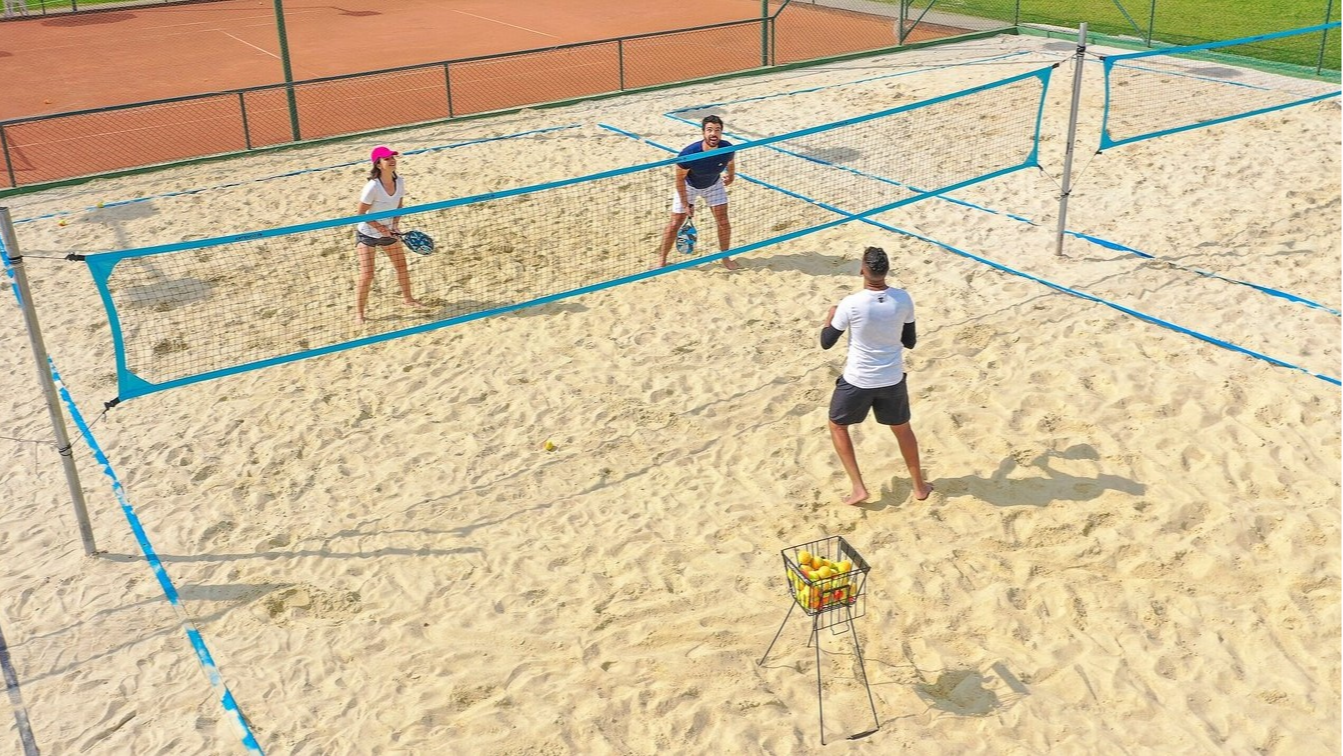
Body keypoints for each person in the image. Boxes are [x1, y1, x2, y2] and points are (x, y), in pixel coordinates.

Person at [821, 246, 933, 506]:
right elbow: (910, 342)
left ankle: (859, 488)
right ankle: (919, 486)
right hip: (892, 379)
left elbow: (826, 342)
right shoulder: (903, 299)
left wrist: (829, 318)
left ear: (862, 270)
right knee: (902, 429)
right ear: (886, 271)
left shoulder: (850, 303)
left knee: (837, 426)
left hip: (858, 380)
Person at [354, 145, 426, 324]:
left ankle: (408, 299)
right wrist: (381, 228)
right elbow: (360, 215)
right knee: (367, 274)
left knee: (401, 266)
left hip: (389, 232)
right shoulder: (372, 187)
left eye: (393, 157)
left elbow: (399, 207)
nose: (392, 160)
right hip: (367, 235)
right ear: (378, 164)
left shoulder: (399, 182)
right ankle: (359, 314)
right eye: (387, 159)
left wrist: (394, 225)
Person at [657, 115, 739, 270]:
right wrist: (685, 203)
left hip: (713, 184)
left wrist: (732, 175)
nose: (713, 134)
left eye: (717, 130)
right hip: (689, 186)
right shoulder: (689, 154)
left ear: (721, 133)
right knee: (675, 223)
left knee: (723, 223)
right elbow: (679, 180)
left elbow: (731, 161)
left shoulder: (727, 148)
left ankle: (725, 257)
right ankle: (661, 259)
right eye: (709, 130)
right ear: (703, 133)